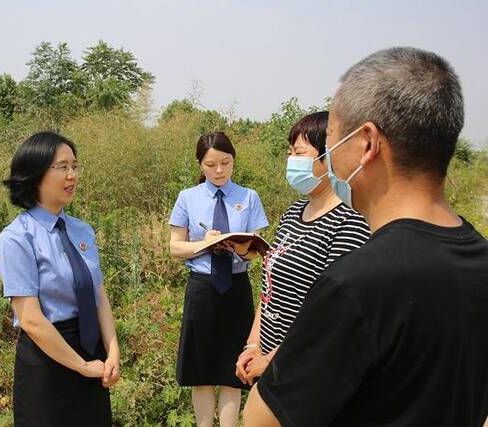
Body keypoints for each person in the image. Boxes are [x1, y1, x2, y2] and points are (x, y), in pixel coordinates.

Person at [244, 47, 488, 427]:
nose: (329, 155)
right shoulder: (479, 259)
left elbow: (263, 419)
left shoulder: (356, 283)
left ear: (368, 143)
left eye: (333, 142)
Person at [0, 131, 120, 426]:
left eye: (75, 167)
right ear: (36, 174)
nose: (72, 175)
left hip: (92, 354)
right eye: (62, 167)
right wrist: (81, 366)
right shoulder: (17, 238)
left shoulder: (81, 230)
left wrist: (113, 350)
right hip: (47, 362)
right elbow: (31, 320)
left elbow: (98, 295)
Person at [235, 112, 369, 386]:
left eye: (299, 153)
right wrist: (252, 345)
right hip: (268, 365)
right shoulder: (293, 213)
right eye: (289, 152)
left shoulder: (350, 221)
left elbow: (332, 316)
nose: (291, 161)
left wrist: (272, 361)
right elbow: (270, 288)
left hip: (304, 373)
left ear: (328, 157)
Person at [169, 131, 269, 427]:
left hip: (236, 288)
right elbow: (175, 246)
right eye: (211, 164)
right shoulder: (187, 197)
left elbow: (255, 248)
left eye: (226, 163)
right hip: (202, 289)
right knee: (202, 370)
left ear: (233, 160)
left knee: (232, 369)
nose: (219, 170)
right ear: (200, 164)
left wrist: (238, 246)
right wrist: (204, 243)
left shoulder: (248, 197)